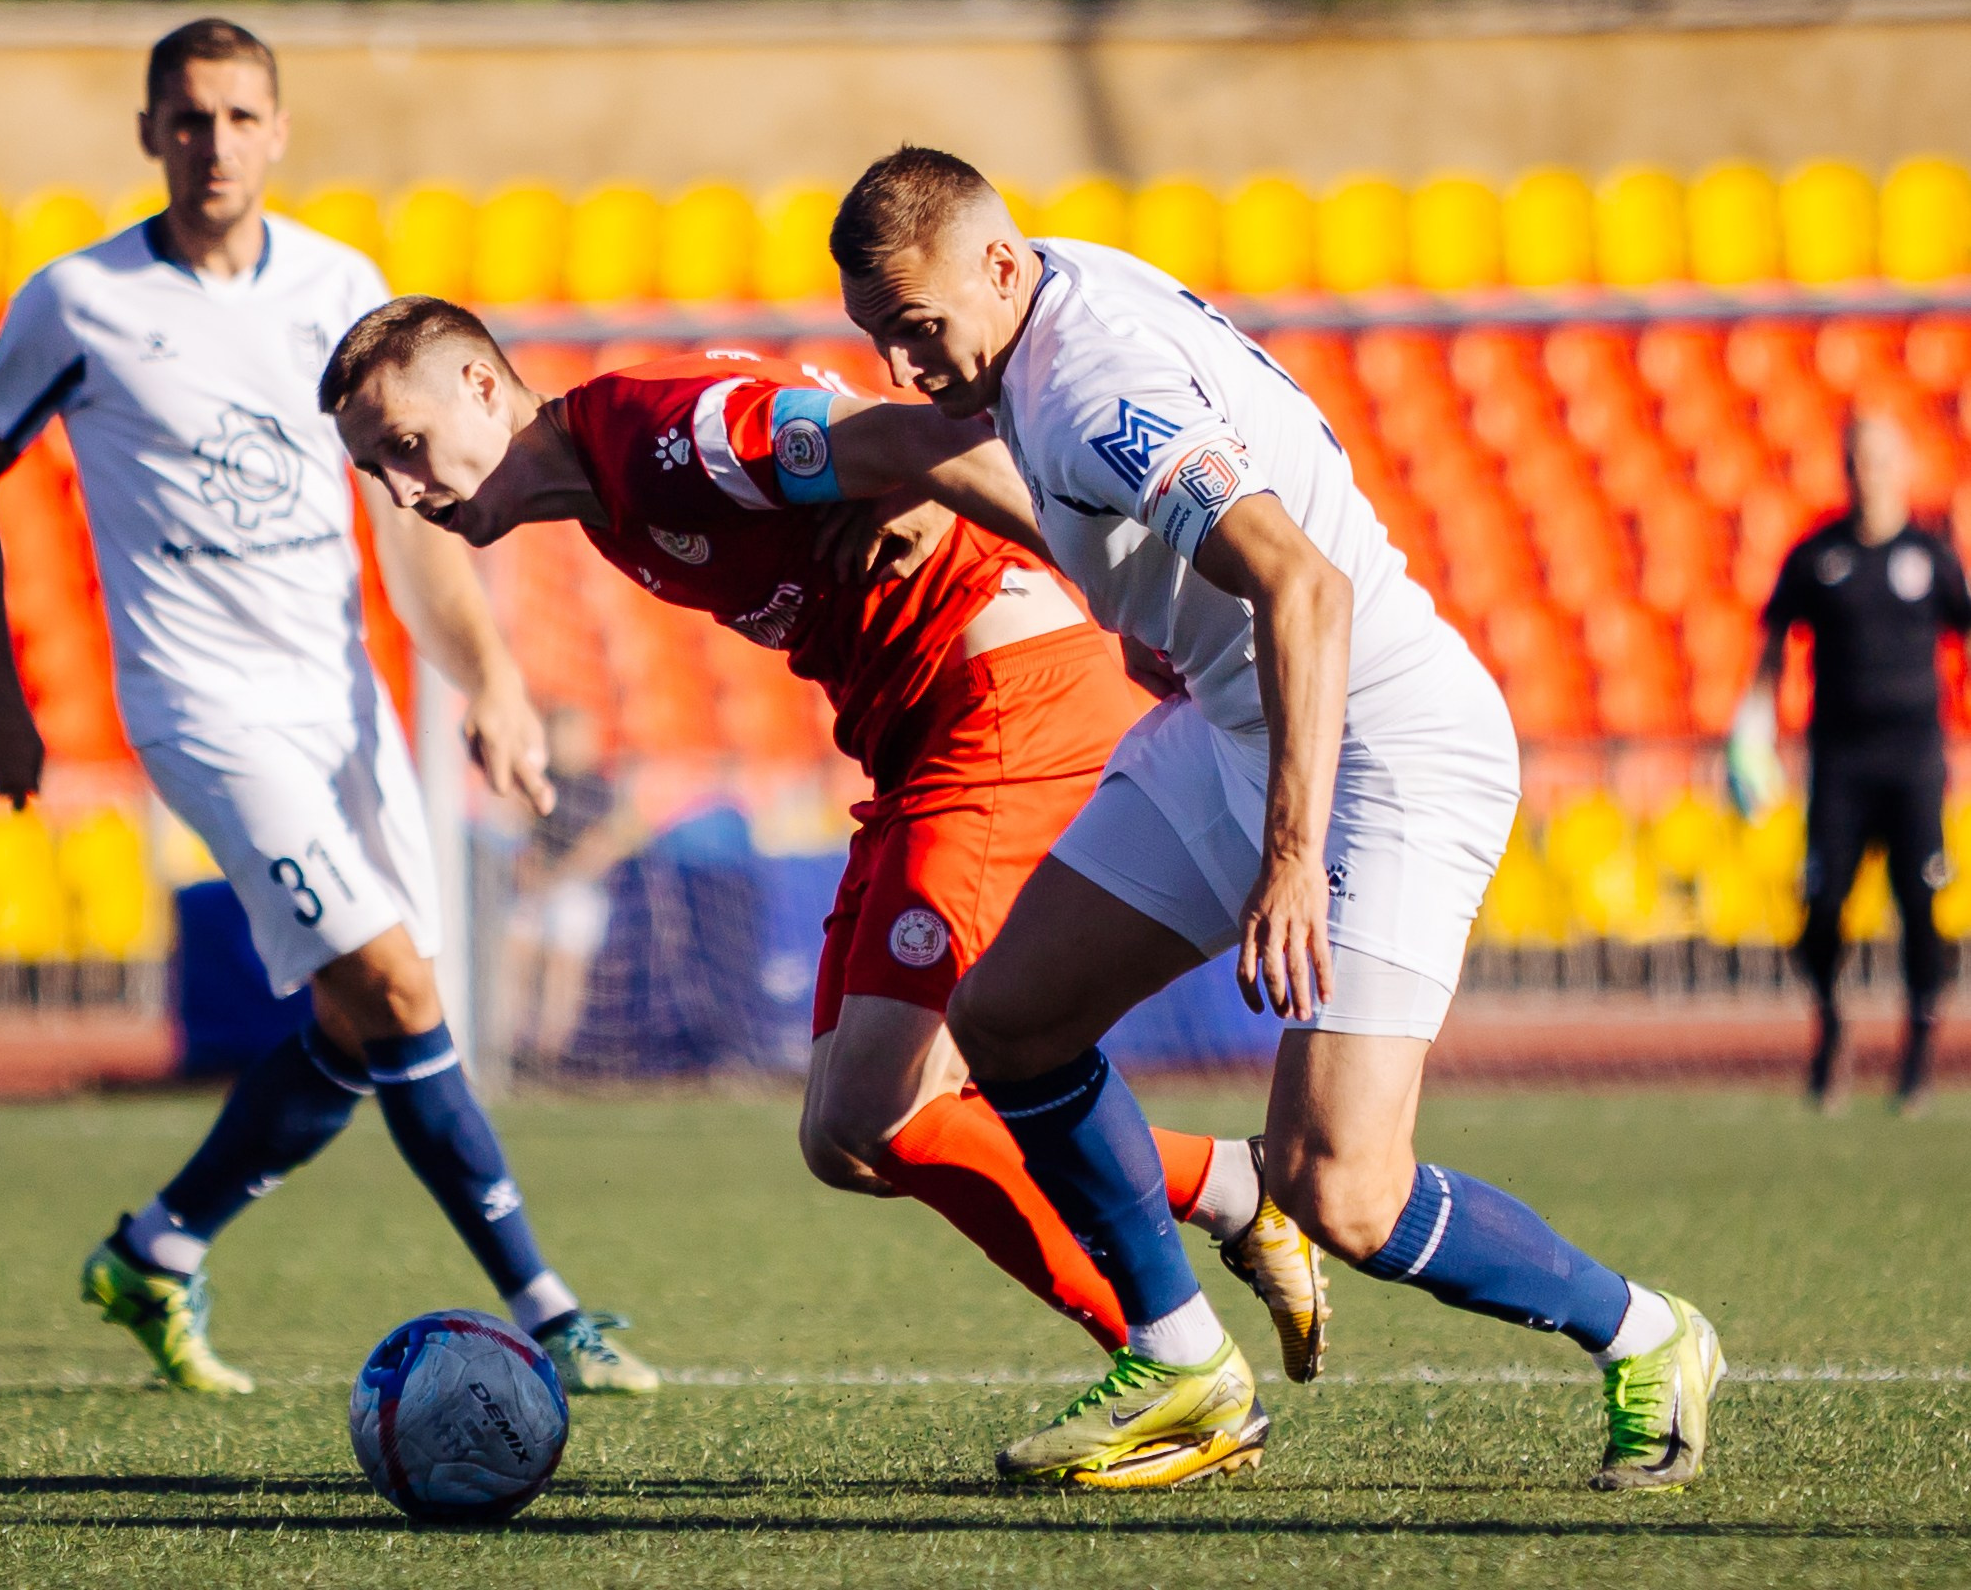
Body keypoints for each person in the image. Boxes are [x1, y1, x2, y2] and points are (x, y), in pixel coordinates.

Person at [828, 146, 1721, 1491]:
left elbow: (1300, 584)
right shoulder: (1050, 304)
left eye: (916, 330)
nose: (905, 365)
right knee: (1007, 1021)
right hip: (1241, 714)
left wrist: (1292, 859)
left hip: (1383, 744)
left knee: (1341, 1187)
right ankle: (1182, 1363)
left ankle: (1648, 1334)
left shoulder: (1083, 380)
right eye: (878, 340)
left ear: (1000, 267)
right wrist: (1146, 613)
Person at [313, 295, 1332, 1385]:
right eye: (379, 471)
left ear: (479, 385)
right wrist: (886, 478)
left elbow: (938, 433)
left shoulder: (663, 435)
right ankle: (1233, 1187)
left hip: (1001, 700)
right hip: (916, 744)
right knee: (844, 1137)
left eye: (408, 449)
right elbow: (864, 445)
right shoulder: (609, 489)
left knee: (891, 1106)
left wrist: (1131, 612)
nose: (405, 491)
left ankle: (1170, 1364)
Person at [0, 19, 655, 1396]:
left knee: (369, 1013)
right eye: (188, 119)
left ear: (277, 130)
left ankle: (157, 1248)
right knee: (389, 982)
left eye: (239, 116)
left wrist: (490, 680)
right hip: (202, 707)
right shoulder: (77, 302)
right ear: (150, 132)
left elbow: (418, 521)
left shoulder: (340, 287)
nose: (213, 142)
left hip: (342, 700)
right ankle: (554, 1311)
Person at [1733, 413, 1968, 1114]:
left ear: (1901, 466)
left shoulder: (1931, 555)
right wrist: (1752, 729)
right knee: (1823, 901)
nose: (1871, 473)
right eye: (1859, 459)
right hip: (1839, 762)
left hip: (1914, 760)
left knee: (1920, 904)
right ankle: (1833, 1023)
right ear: (1846, 467)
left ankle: (1919, 1050)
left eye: (1882, 458)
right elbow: (1773, 649)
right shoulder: (1817, 557)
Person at [496, 706, 635, 1068]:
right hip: (537, 887)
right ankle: (513, 1046)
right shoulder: (540, 780)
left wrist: (556, 878)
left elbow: (605, 845)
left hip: (578, 888)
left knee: (564, 965)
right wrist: (530, 870)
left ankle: (549, 1053)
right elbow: (521, 832)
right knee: (518, 955)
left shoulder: (600, 788)